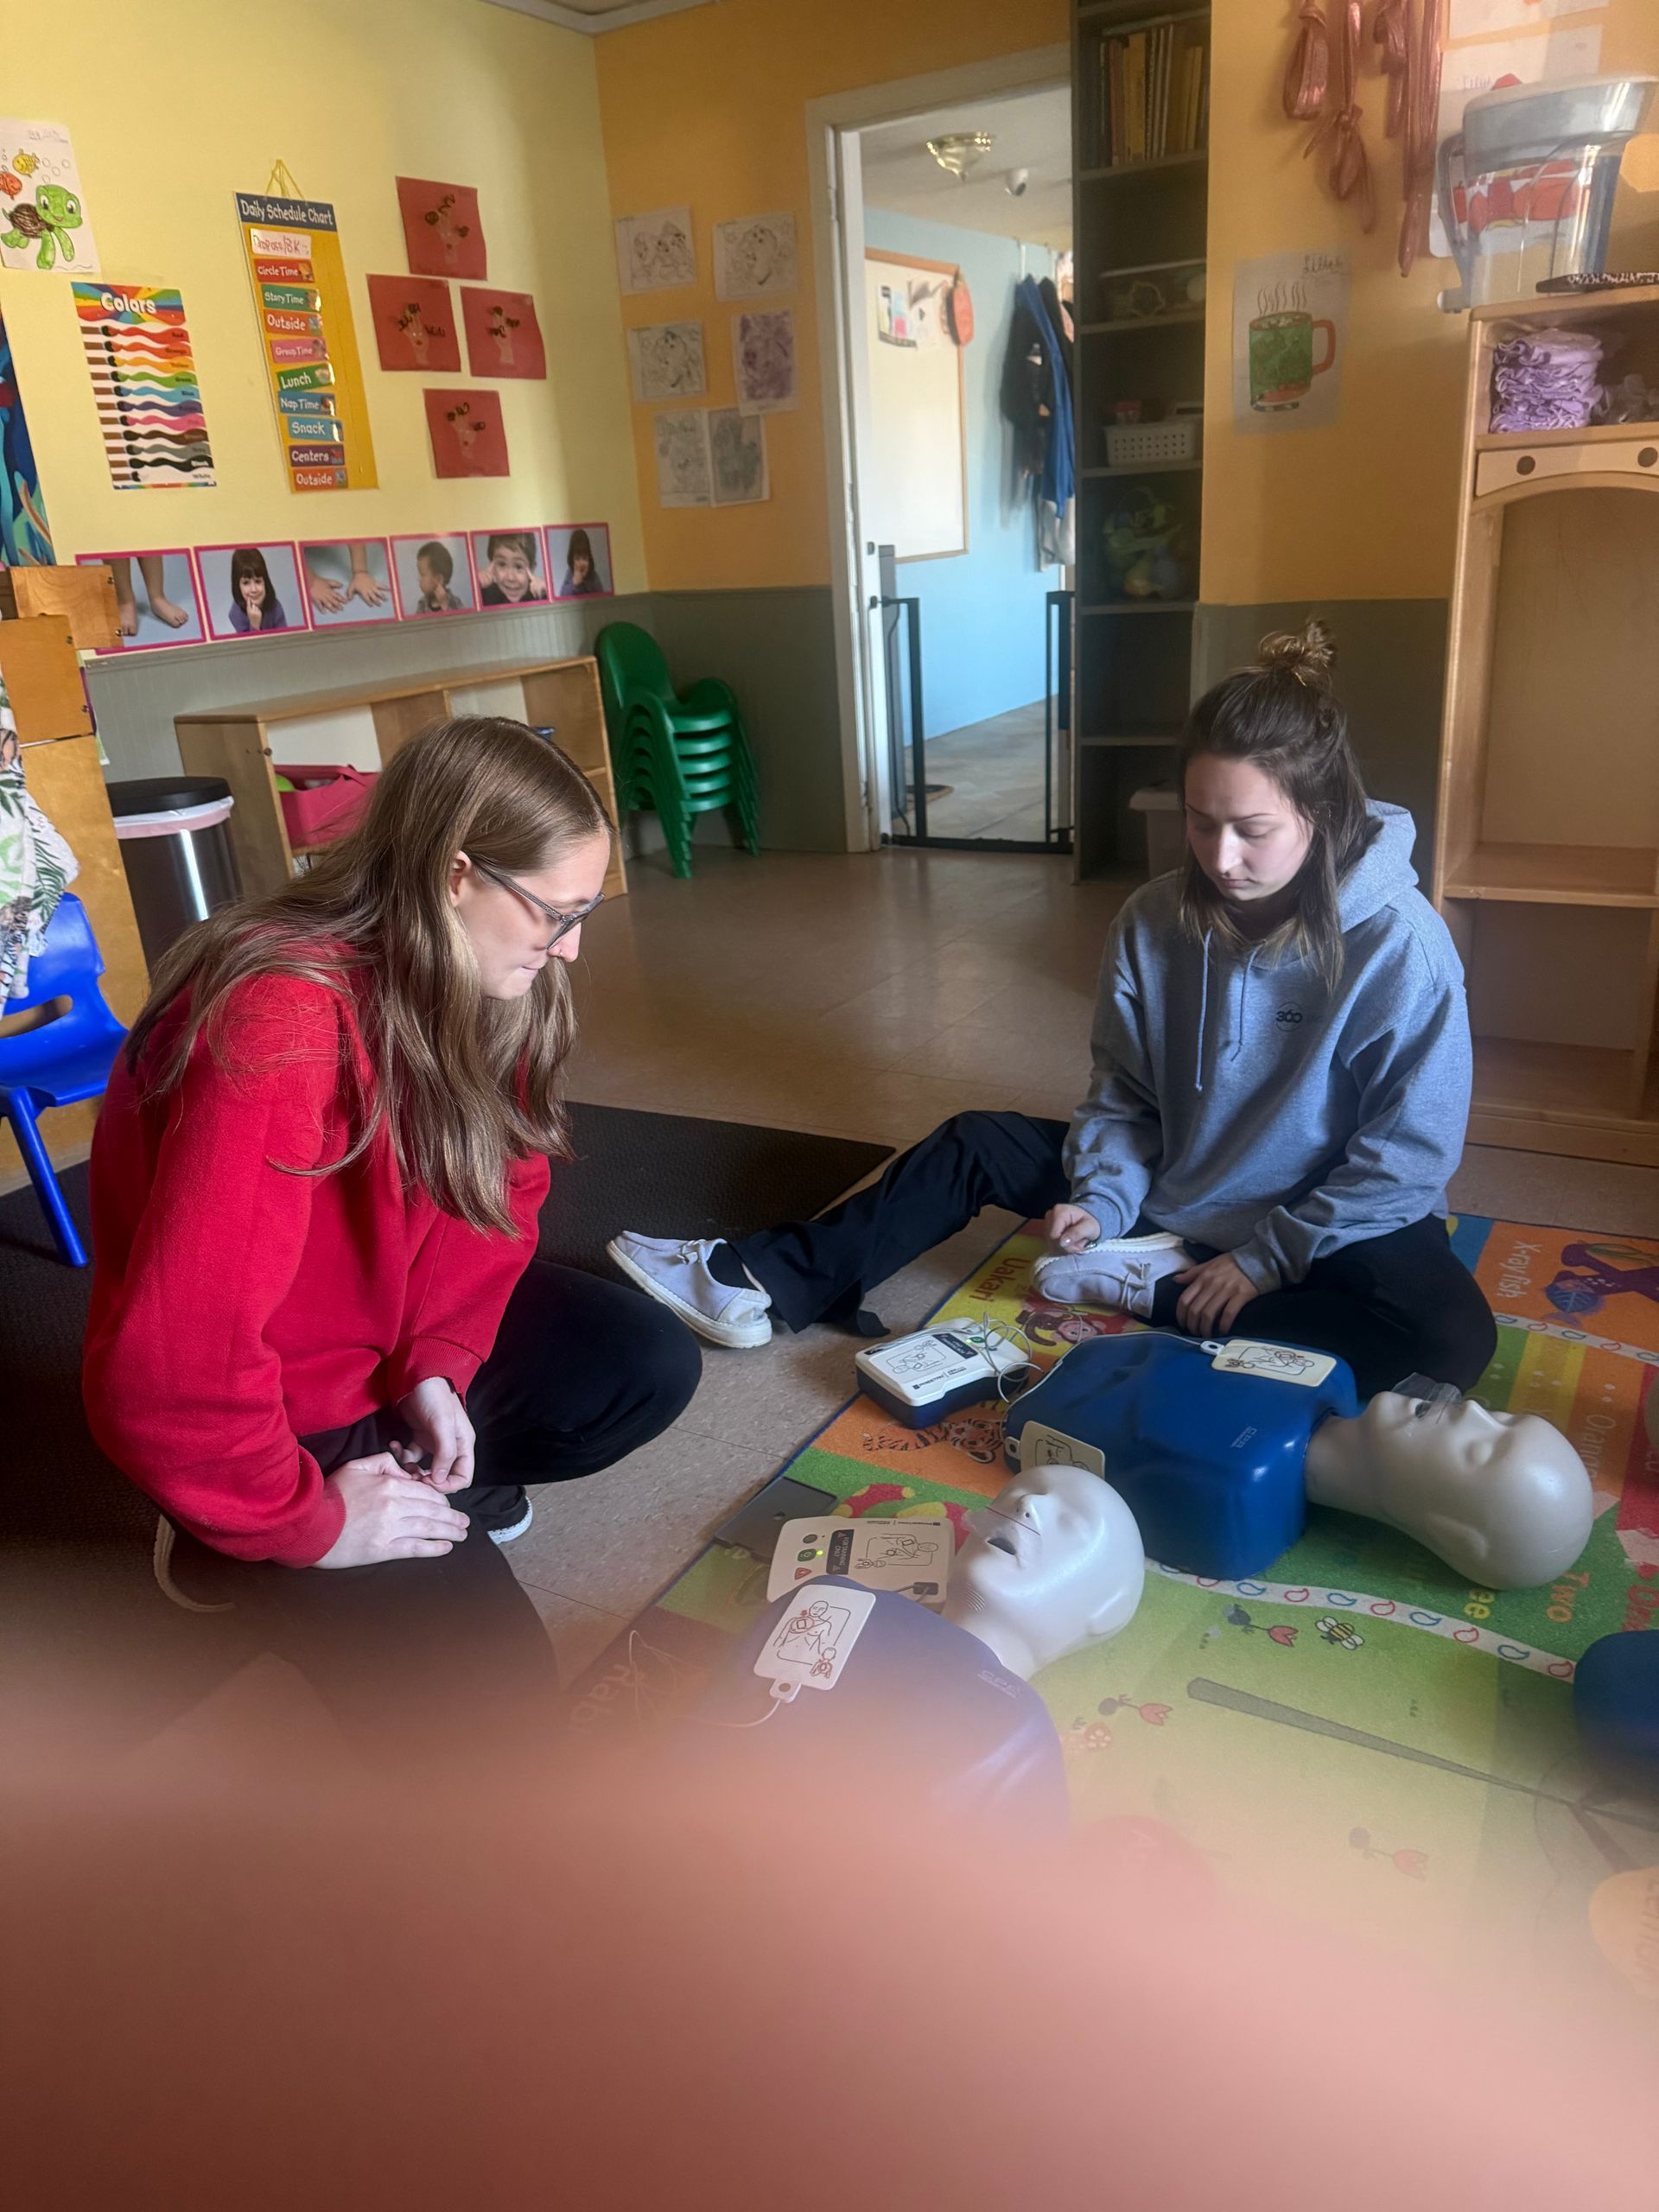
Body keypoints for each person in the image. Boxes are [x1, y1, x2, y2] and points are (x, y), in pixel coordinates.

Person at [609, 622, 1496, 1402]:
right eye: (1198, 822)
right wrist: (1106, 1197)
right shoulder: (1154, 918)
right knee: (973, 1142)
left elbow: (1407, 1157)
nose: (1220, 857)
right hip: (1172, 1190)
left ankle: (1170, 1294)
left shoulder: (1400, 946)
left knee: (1454, 1336)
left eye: (1251, 829)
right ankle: (756, 1276)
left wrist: (1265, 1258)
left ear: (1323, 810)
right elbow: (1124, 1091)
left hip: (1313, 1216)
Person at [83, 718, 700, 1754]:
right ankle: (227, 1532)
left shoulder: (495, 981)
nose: (575, 945)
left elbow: (496, 1198)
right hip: (277, 1401)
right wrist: (309, 1524)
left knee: (643, 1365)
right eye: (559, 912)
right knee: (497, 1726)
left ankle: (420, 1473)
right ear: (456, 875)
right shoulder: (278, 1019)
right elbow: (173, 1362)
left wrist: (438, 1366)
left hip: (375, 1347)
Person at [226, 546, 289, 634]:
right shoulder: (235, 613)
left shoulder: (275, 607)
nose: (254, 589)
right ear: (238, 586)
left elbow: (284, 640)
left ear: (265, 582)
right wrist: (254, 625)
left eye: (258, 581)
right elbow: (250, 647)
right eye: (246, 583)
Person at [478, 531, 544, 606]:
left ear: (532, 568)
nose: (510, 578)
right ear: (492, 566)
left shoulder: (539, 595)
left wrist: (546, 592)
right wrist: (477, 585)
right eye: (502, 564)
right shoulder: (486, 594)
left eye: (518, 567)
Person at [413, 538, 463, 613]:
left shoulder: (455, 602)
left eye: (422, 575)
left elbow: (460, 623)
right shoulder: (422, 604)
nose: (419, 579)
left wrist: (444, 605)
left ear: (439, 580)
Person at [558, 527, 604, 599]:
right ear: (572, 560)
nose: (581, 563)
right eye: (577, 559)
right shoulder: (570, 574)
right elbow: (562, 597)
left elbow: (602, 597)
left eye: (585, 559)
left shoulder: (593, 576)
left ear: (589, 560)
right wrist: (574, 583)